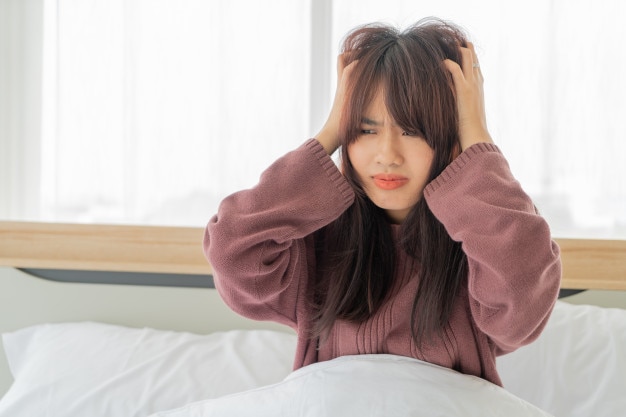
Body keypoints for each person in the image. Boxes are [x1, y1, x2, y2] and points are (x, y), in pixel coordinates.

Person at [203, 17, 561, 387]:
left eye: (412, 130)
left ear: (453, 136)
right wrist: (329, 133)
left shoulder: (480, 246)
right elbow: (233, 252)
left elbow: (521, 303)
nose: (387, 154)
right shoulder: (317, 244)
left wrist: (478, 141)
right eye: (366, 129)